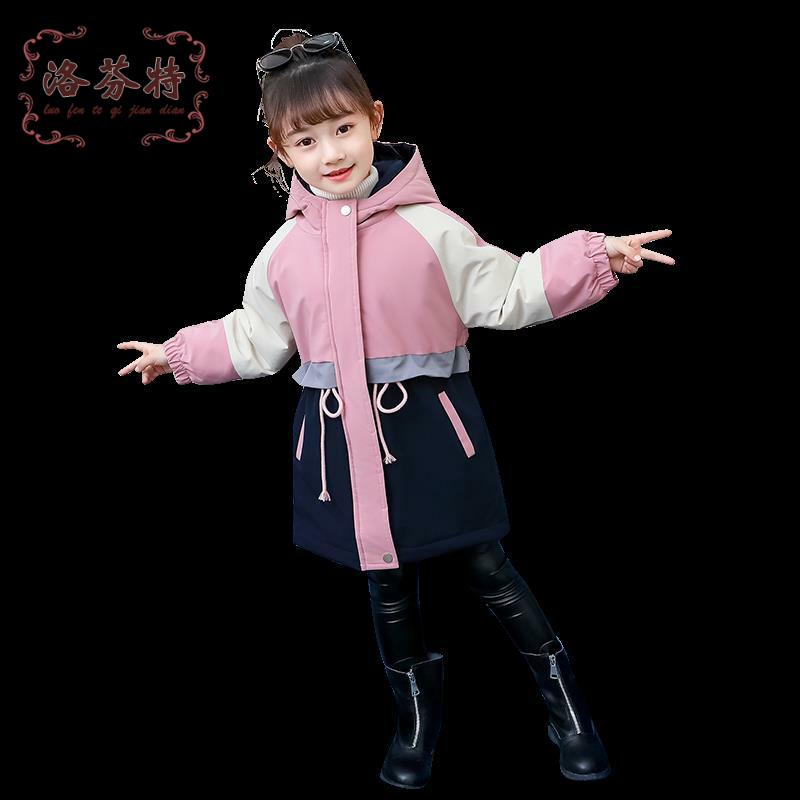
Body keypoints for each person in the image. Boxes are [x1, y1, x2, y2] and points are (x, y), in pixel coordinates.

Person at [116, 29, 675, 788]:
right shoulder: (280, 254)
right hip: (342, 448)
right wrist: (178, 354)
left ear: (375, 119)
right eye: (306, 140)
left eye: (344, 127)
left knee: (488, 566)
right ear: (280, 151)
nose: (331, 152)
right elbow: (256, 338)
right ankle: (415, 721)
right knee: (386, 585)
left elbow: (507, 289)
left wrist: (593, 257)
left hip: (432, 437)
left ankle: (568, 710)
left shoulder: (431, 227)